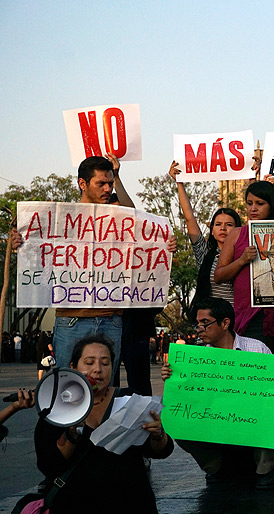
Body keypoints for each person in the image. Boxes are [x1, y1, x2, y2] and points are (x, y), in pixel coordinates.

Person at [10, 154, 174, 380]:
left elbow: (133, 215)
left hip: (111, 320)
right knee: (67, 385)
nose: (108, 189)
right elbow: (40, 257)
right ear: (82, 184)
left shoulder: (118, 218)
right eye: (101, 183)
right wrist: (22, 243)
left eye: (110, 183)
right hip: (71, 320)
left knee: (104, 387)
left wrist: (165, 245)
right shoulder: (60, 220)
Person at [34, 335, 172, 514]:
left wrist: (158, 434)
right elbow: (50, 465)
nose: (97, 370)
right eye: (89, 362)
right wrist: (71, 432)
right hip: (75, 509)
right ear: (73, 367)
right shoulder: (55, 409)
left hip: (132, 508)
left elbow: (160, 450)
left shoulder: (130, 400)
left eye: (105, 363)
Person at [161, 297, 274, 489]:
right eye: (197, 323)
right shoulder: (194, 360)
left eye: (205, 323)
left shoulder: (256, 348)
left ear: (225, 323)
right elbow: (187, 398)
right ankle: (214, 466)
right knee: (178, 421)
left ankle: (264, 468)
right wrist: (172, 379)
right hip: (215, 428)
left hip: (253, 425)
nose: (199, 328)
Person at [215, 181, 274, 366]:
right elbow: (219, 276)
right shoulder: (237, 234)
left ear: (272, 205)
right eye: (249, 203)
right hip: (251, 318)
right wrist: (241, 261)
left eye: (260, 203)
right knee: (252, 377)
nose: (253, 209)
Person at [169, 161, 241, 307]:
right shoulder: (205, 252)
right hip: (212, 321)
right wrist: (179, 184)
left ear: (238, 230)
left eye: (229, 225)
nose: (223, 229)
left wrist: (254, 179)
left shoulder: (244, 254)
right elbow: (189, 218)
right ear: (212, 231)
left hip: (239, 321)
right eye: (218, 224)